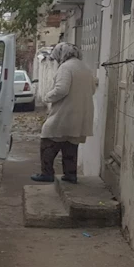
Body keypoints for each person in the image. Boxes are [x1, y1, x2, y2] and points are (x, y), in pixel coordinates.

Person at [31, 42, 95, 184]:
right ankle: (70, 174)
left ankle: (46, 173)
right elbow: (93, 88)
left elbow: (61, 89)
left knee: (48, 137)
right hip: (82, 113)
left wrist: (47, 97)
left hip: (66, 112)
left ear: (62, 54)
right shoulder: (85, 67)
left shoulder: (65, 67)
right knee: (71, 142)